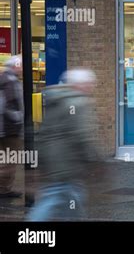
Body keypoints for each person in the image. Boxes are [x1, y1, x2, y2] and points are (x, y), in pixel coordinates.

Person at [28, 68, 97, 221]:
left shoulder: (56, 100)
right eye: (89, 84)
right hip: (68, 162)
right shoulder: (78, 103)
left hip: (52, 160)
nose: (91, 87)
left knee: (60, 198)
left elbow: (43, 132)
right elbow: (82, 136)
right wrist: (93, 159)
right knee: (61, 199)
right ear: (80, 85)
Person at [0, 55, 24, 198]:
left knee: (5, 159)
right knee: (11, 159)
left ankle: (4, 188)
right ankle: (4, 189)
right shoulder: (11, 81)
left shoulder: (3, 78)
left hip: (4, 128)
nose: (21, 68)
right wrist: (18, 118)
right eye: (20, 65)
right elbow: (9, 103)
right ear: (15, 66)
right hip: (10, 128)